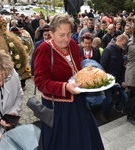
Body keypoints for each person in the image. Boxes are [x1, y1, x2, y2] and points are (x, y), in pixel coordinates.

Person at [34, 14, 104, 150]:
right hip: (58, 108)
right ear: (51, 33)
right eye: (61, 35)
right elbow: (40, 82)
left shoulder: (72, 44)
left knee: (84, 140)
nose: (66, 39)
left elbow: (78, 69)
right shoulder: (43, 50)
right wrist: (65, 86)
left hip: (78, 103)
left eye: (69, 33)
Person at [0, 51, 23, 150]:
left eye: (4, 79)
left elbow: (19, 94)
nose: (2, 83)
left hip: (9, 135)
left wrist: (14, 111)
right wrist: (0, 137)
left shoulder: (9, 73)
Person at [100, 34, 129, 123]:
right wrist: (106, 80)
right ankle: (102, 113)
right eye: (123, 44)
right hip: (108, 80)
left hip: (116, 80)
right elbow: (102, 66)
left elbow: (120, 67)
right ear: (118, 41)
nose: (124, 46)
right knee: (109, 99)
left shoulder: (120, 51)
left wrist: (121, 80)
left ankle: (108, 113)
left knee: (112, 98)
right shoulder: (108, 50)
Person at [125, 25, 135, 125]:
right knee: (133, 97)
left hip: (132, 73)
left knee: (132, 96)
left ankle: (130, 112)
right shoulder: (132, 44)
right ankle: (130, 116)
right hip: (132, 74)